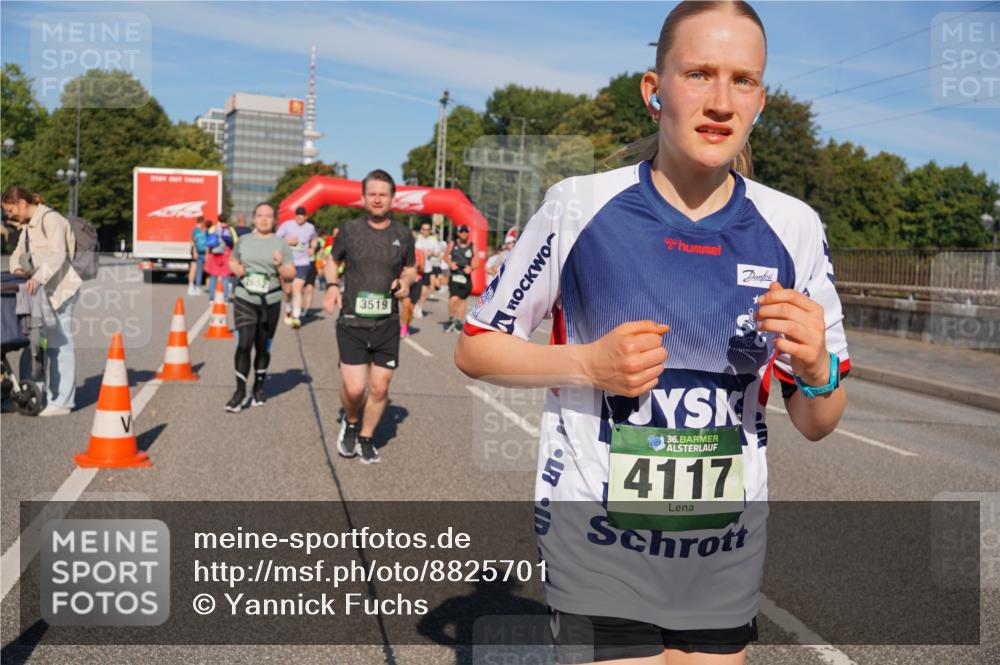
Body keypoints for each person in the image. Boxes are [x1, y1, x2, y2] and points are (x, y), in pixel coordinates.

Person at [455, 2, 850, 663]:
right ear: (654, 89)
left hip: (724, 548)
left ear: (760, 100)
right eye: (698, 73)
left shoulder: (795, 227)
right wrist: (587, 365)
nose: (720, 100)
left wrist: (816, 371)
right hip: (596, 538)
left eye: (743, 80)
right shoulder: (579, 207)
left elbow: (818, 421)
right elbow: (475, 347)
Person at [323, 169, 416, 464]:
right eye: (372, 194)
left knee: (379, 387)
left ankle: (365, 437)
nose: (377, 199)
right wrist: (332, 285)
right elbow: (331, 261)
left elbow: (410, 269)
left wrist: (406, 282)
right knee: (355, 389)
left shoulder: (403, 234)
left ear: (392, 198)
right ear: (363, 197)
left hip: (387, 323)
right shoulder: (350, 230)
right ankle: (351, 421)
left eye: (383, 194)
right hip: (352, 321)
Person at [3, 186, 82, 417]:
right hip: (38, 294)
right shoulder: (28, 227)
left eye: (10, 210)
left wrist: (38, 278)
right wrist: (17, 268)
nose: (9, 215)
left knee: (59, 347)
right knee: (33, 345)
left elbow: (59, 255)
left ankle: (62, 402)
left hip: (60, 292)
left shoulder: (51, 219)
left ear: (22, 203)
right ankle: (28, 396)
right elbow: (17, 254)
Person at [225, 202, 295, 412]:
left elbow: (290, 274)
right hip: (245, 297)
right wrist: (237, 269)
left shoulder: (281, 244)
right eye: (260, 215)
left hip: (270, 301)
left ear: (274, 220)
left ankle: (259, 387)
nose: (264, 219)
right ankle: (239, 392)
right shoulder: (244, 241)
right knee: (244, 344)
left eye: (268, 216)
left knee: (263, 347)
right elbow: (232, 260)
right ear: (254, 218)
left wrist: (279, 265)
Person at [277, 206, 319, 329]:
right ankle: (288, 309)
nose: (299, 218)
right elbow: (276, 239)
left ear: (306, 217)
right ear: (295, 216)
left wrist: (313, 248)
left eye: (302, 216)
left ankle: (296, 318)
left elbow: (314, 239)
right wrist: (288, 242)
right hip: (287, 262)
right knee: (288, 291)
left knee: (298, 288)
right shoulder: (287, 225)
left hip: (303, 262)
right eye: (297, 215)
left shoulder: (310, 227)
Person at [444, 224, 478, 332]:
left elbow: (478, 262)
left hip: (465, 277)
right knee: (453, 299)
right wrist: (451, 263)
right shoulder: (453, 243)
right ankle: (450, 320)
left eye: (466, 232)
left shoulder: (472, 246)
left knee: (462, 300)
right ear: (458, 233)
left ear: (468, 233)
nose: (464, 234)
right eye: (462, 232)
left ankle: (458, 322)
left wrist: (471, 268)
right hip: (454, 275)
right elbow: (445, 256)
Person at [204, 217, 235, 301]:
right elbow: (235, 241)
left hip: (214, 254)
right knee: (225, 277)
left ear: (218, 220)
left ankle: (211, 296)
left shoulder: (213, 228)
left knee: (213, 276)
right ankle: (225, 297)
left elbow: (208, 242)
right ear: (226, 221)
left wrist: (207, 254)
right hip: (226, 254)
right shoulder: (230, 229)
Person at [414, 221, 441, 316]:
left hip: (427, 269)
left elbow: (438, 253)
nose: (425, 231)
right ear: (421, 230)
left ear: (430, 231)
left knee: (424, 291)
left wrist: (431, 253)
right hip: (417, 269)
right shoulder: (418, 241)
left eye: (427, 229)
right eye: (424, 229)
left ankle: (420, 308)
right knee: (416, 291)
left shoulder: (433, 241)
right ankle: (415, 305)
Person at [188, 217, 207, 295]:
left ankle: (195, 286)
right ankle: (191, 286)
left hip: (198, 252)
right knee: (194, 269)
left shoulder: (197, 230)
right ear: (202, 222)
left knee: (198, 270)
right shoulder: (196, 231)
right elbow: (193, 242)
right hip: (196, 252)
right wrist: (194, 252)